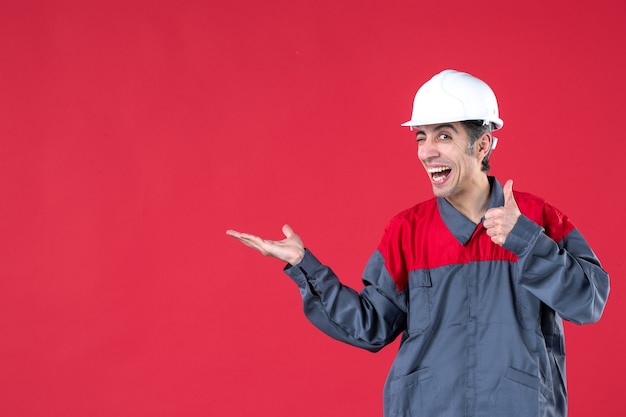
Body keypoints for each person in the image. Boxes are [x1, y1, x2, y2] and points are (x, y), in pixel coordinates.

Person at [226, 69, 610, 417]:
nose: (427, 151)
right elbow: (371, 326)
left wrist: (526, 241)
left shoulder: (537, 218)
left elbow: (587, 303)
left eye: (444, 135)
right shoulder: (406, 230)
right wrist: (303, 265)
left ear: (482, 146)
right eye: (421, 137)